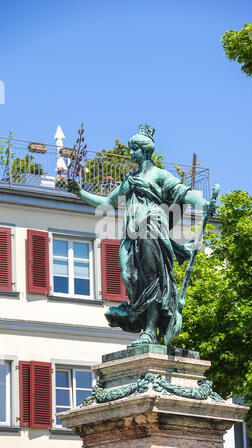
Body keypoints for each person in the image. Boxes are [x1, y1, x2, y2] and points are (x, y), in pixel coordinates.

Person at [68, 125, 210, 347]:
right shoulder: (130, 180)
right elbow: (106, 202)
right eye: (131, 148)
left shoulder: (159, 175)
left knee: (151, 281)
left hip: (151, 228)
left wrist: (205, 204)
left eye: (134, 148)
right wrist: (79, 192)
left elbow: (184, 193)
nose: (131, 153)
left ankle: (150, 331)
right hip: (131, 234)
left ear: (145, 150)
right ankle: (139, 316)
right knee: (128, 275)